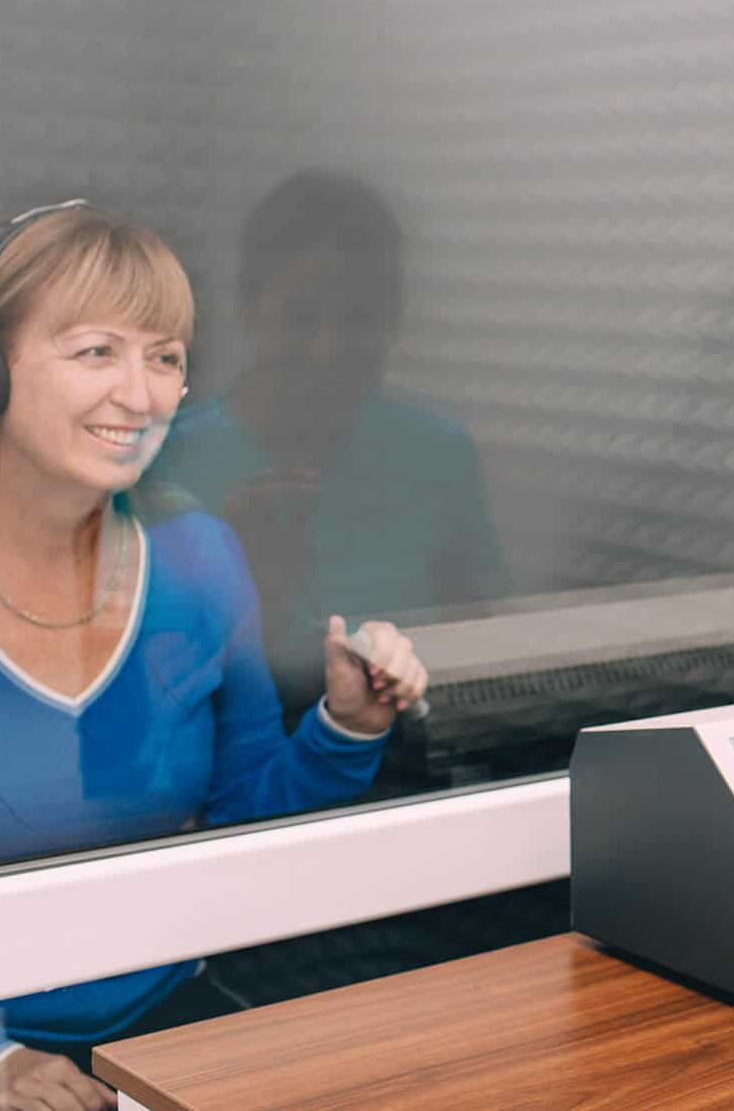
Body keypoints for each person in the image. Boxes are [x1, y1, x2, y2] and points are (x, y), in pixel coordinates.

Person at [0, 202, 429, 1111]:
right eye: (98, 352)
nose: (143, 394)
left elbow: (243, 821)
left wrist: (343, 728)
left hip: (165, 1031)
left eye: (164, 358)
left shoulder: (199, 560)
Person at [146, 170, 515, 744]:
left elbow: (479, 635)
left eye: (358, 320)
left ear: (392, 320)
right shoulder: (167, 460)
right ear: (251, 308)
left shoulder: (436, 456)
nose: (328, 349)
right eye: (301, 318)